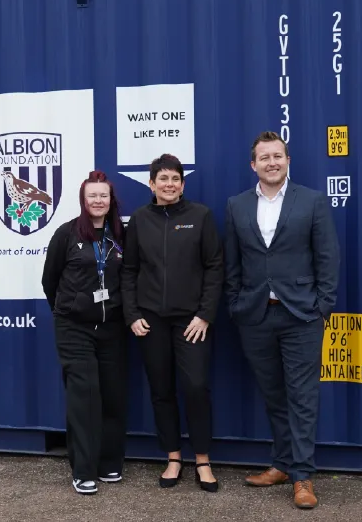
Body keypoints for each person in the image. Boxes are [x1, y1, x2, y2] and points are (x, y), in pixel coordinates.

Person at [223, 131, 340, 509]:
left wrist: (322, 306)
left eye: (278, 156)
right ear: (253, 165)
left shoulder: (312, 201)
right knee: (274, 395)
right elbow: (232, 262)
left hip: (301, 314)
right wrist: (236, 303)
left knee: (302, 397)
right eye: (264, 157)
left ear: (287, 161)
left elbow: (328, 257)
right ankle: (282, 464)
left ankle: (303, 476)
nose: (272, 162)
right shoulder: (237, 205)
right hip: (255, 316)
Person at [120, 154, 224, 493]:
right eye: (162, 178)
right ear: (151, 184)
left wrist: (205, 314)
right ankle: (174, 457)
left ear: (182, 183)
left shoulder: (200, 216)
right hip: (150, 321)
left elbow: (214, 267)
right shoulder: (138, 220)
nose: (169, 184)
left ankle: (203, 461)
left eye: (175, 178)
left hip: (191, 320)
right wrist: (132, 314)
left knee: (195, 387)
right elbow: (129, 271)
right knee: (161, 390)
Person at [41, 169, 130, 495]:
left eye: (103, 195)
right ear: (83, 200)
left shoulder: (120, 234)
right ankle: (83, 470)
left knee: (112, 395)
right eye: (92, 195)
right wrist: (72, 308)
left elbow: (129, 276)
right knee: (84, 398)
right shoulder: (67, 234)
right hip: (74, 327)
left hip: (112, 328)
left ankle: (109, 463)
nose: (97, 200)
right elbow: (49, 281)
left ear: (110, 200)